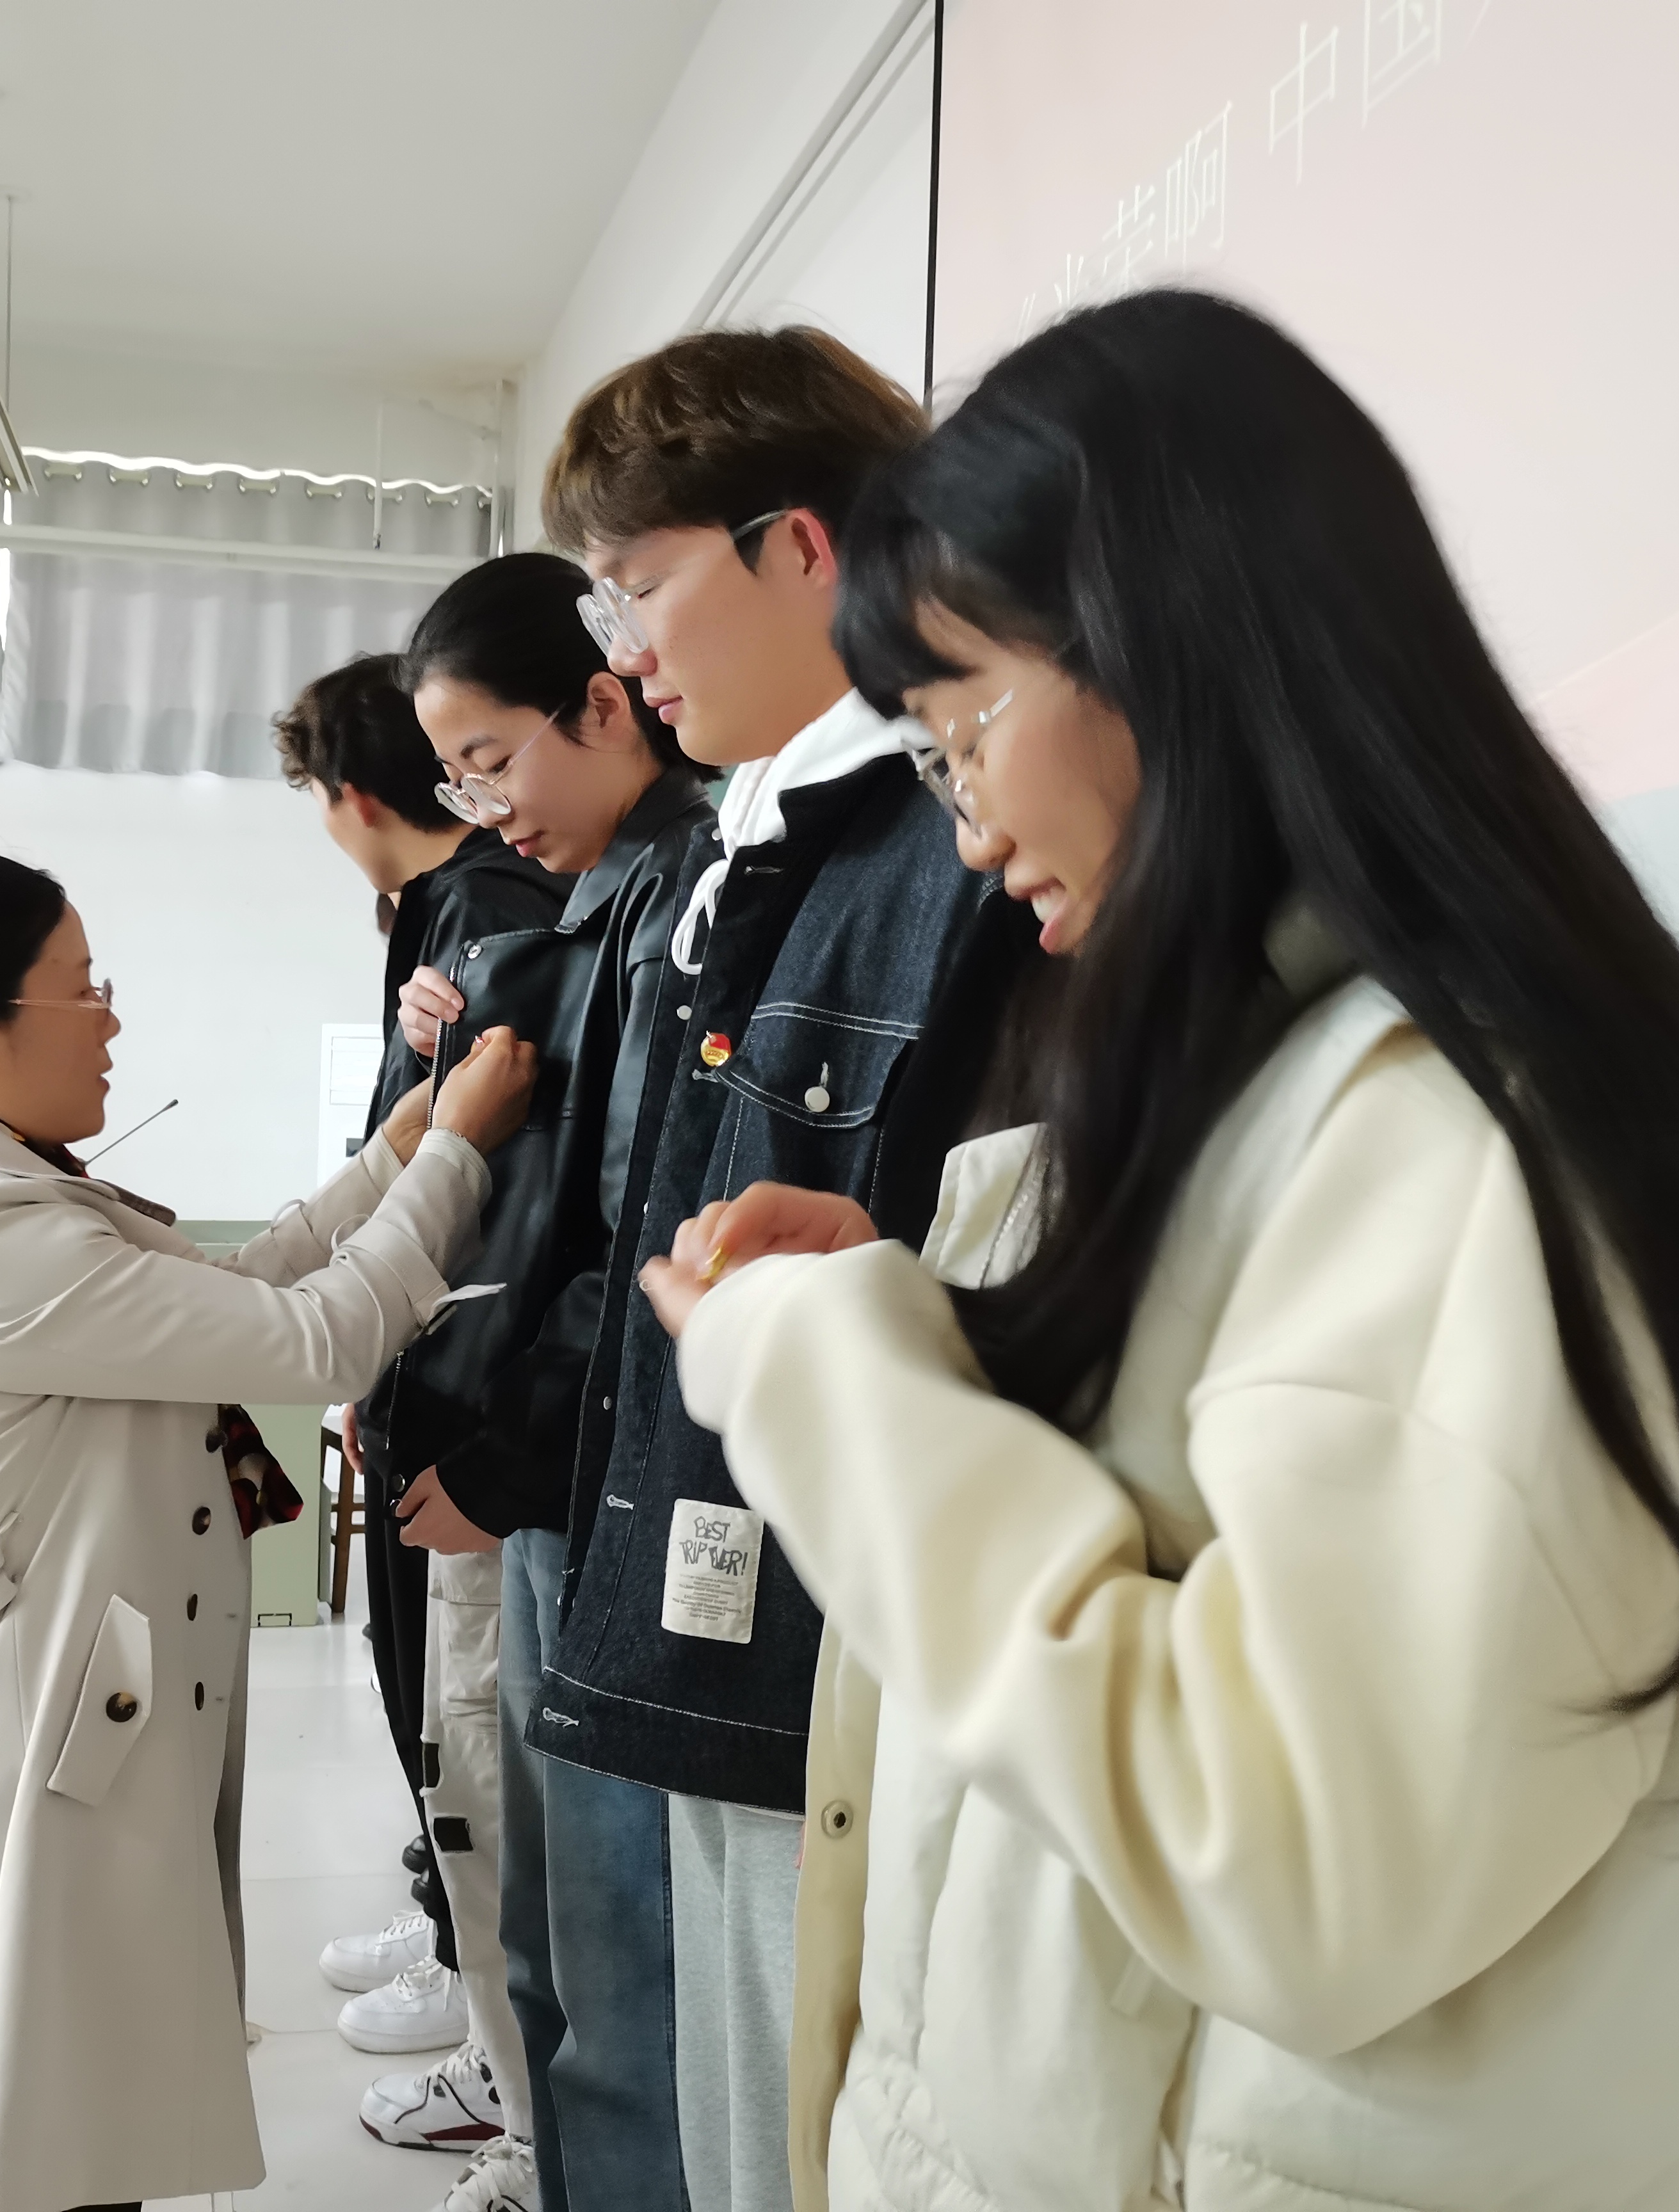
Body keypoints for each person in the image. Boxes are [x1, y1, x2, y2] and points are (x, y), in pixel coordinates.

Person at [636, 290, 1679, 2212]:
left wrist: (819, 1376)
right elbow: (1224, 1486)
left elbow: (1294, 1861)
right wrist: (939, 1321)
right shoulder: (1296, 1082)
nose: (971, 826)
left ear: (1166, 650)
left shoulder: (1467, 1146)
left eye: (965, 727)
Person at [0, 849, 536, 2212]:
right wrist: (452, 1156)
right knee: (24, 2159)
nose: (111, 1018)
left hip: (48, 1738)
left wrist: (393, 1152)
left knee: (68, 2138)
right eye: (82, 988)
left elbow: (229, 1290)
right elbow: (312, 1340)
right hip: (14, 1767)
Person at [534, 328, 1034, 2212]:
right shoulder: (738, 849)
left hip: (833, 1635)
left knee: (796, 2138)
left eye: (643, 582)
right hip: (712, 1577)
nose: (624, 649)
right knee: (721, 2111)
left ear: (803, 547)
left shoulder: (963, 850)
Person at [373, 550, 716, 2212]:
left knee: (613, 1957)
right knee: (560, 1933)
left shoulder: (691, 884)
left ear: (602, 702)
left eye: (493, 759)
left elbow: (630, 1237)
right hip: (557, 1459)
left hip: (596, 1473)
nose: (485, 808)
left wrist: (507, 1464)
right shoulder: (597, 900)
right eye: (457, 778)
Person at [276, 653, 566, 2062]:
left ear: (346, 794)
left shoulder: (492, 905)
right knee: (429, 1699)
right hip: (419, 1360)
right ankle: (443, 1912)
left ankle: (477, 1995)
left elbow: (497, 1190)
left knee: (460, 1707)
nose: (488, 797)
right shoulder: (449, 918)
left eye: (492, 759)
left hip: (468, 1379)